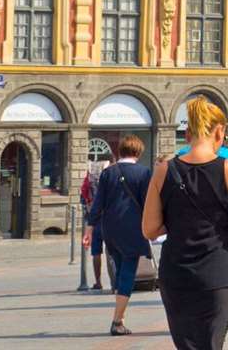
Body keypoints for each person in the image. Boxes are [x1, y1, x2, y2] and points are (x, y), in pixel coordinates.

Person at [144, 96, 228, 350]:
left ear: (187, 134)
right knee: (211, 344)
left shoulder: (164, 170)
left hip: (176, 273)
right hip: (218, 273)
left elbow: (149, 229)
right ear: (219, 131)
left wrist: (178, 222)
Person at [89, 134, 156, 337]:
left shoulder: (108, 173)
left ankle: (121, 313)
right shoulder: (144, 173)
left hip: (110, 229)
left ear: (121, 151)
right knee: (128, 271)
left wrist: (89, 227)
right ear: (138, 152)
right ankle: (117, 321)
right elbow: (148, 204)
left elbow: (98, 202)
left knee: (119, 269)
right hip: (132, 229)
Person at [81, 159, 105, 292]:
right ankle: (116, 282)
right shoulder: (108, 178)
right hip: (108, 218)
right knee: (112, 251)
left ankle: (98, 282)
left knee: (96, 252)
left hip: (93, 219)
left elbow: (83, 196)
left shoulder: (88, 180)